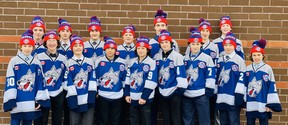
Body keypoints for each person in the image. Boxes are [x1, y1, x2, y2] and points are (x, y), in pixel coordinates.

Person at [3, 30, 50, 125]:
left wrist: (39, 99)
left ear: (33, 47)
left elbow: (40, 82)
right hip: (17, 99)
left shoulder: (36, 62)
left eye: (29, 46)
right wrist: (11, 99)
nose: (27, 49)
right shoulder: (14, 61)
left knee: (28, 122)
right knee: (15, 122)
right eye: (25, 46)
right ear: (21, 47)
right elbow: (10, 80)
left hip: (30, 100)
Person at [182, 27, 216, 125]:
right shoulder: (184, 59)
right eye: (193, 44)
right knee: (187, 120)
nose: (195, 46)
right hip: (187, 94)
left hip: (201, 94)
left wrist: (207, 92)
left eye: (197, 44)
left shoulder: (207, 58)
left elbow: (210, 75)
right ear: (189, 45)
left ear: (201, 45)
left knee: (204, 121)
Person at [245, 38, 282, 125]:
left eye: (258, 55)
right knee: (250, 122)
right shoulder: (247, 69)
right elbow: (244, 86)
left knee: (264, 122)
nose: (256, 57)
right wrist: (244, 103)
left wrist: (270, 104)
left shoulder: (267, 68)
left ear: (263, 56)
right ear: (251, 56)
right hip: (250, 102)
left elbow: (271, 86)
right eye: (254, 55)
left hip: (263, 102)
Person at [154, 30, 188, 125]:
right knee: (166, 118)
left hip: (174, 92)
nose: (164, 44)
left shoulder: (177, 57)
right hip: (162, 91)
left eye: (166, 42)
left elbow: (181, 75)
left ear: (171, 43)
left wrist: (178, 91)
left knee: (176, 117)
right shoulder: (157, 57)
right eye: (162, 42)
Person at [35, 30, 67, 125]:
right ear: (45, 43)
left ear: (57, 43)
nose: (51, 43)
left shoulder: (63, 58)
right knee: (41, 120)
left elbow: (65, 75)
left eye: (54, 40)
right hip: (43, 93)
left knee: (57, 120)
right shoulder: (39, 57)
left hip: (58, 93)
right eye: (49, 40)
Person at [124, 36, 158, 125]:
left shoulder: (151, 62)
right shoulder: (132, 62)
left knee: (146, 120)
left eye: (143, 48)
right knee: (134, 120)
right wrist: (127, 94)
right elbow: (127, 79)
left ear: (147, 50)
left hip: (145, 98)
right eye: (138, 48)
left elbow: (152, 81)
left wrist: (144, 97)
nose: (141, 50)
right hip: (133, 97)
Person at [95, 36, 127, 125]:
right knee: (103, 119)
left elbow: (124, 78)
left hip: (118, 96)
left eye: (112, 48)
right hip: (102, 95)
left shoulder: (122, 62)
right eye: (108, 48)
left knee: (116, 120)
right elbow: (96, 77)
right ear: (104, 49)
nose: (110, 50)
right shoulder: (99, 61)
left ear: (115, 50)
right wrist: (96, 91)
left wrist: (124, 91)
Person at [65, 34, 97, 125]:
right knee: (74, 122)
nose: (78, 48)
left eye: (80, 46)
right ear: (72, 48)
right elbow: (68, 81)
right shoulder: (68, 63)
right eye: (75, 46)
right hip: (74, 97)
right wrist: (72, 97)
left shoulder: (89, 61)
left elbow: (92, 78)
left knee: (87, 122)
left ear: (83, 47)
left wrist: (91, 95)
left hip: (87, 97)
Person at [215, 32, 246, 125]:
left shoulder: (239, 60)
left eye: (230, 45)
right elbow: (216, 78)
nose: (228, 47)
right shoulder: (220, 60)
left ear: (235, 46)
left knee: (233, 121)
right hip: (221, 97)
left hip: (233, 97)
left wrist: (239, 96)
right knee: (223, 121)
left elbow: (242, 79)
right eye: (226, 45)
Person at [57, 17, 73, 125]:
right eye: (63, 31)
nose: (65, 33)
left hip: (71, 82)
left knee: (69, 111)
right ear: (59, 33)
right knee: (58, 113)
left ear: (70, 33)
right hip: (57, 83)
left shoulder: (75, 46)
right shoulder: (55, 46)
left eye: (67, 31)